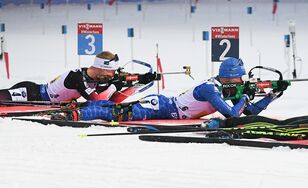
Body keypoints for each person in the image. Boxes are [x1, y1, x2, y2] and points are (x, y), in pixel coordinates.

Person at [52, 57, 286, 122]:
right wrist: (245, 96)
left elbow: (249, 112)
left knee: (115, 107)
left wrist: (272, 96)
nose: (241, 83)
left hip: (167, 108)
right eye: (240, 80)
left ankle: (80, 107)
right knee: (118, 113)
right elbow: (233, 114)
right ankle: (74, 114)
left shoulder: (224, 88)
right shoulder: (210, 89)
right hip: (161, 107)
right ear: (231, 77)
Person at [0, 51, 155, 103]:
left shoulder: (98, 78)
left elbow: (114, 99)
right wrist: (116, 84)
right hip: (31, 92)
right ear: (102, 69)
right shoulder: (77, 78)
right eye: (112, 72)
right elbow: (97, 100)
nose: (114, 75)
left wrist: (139, 82)